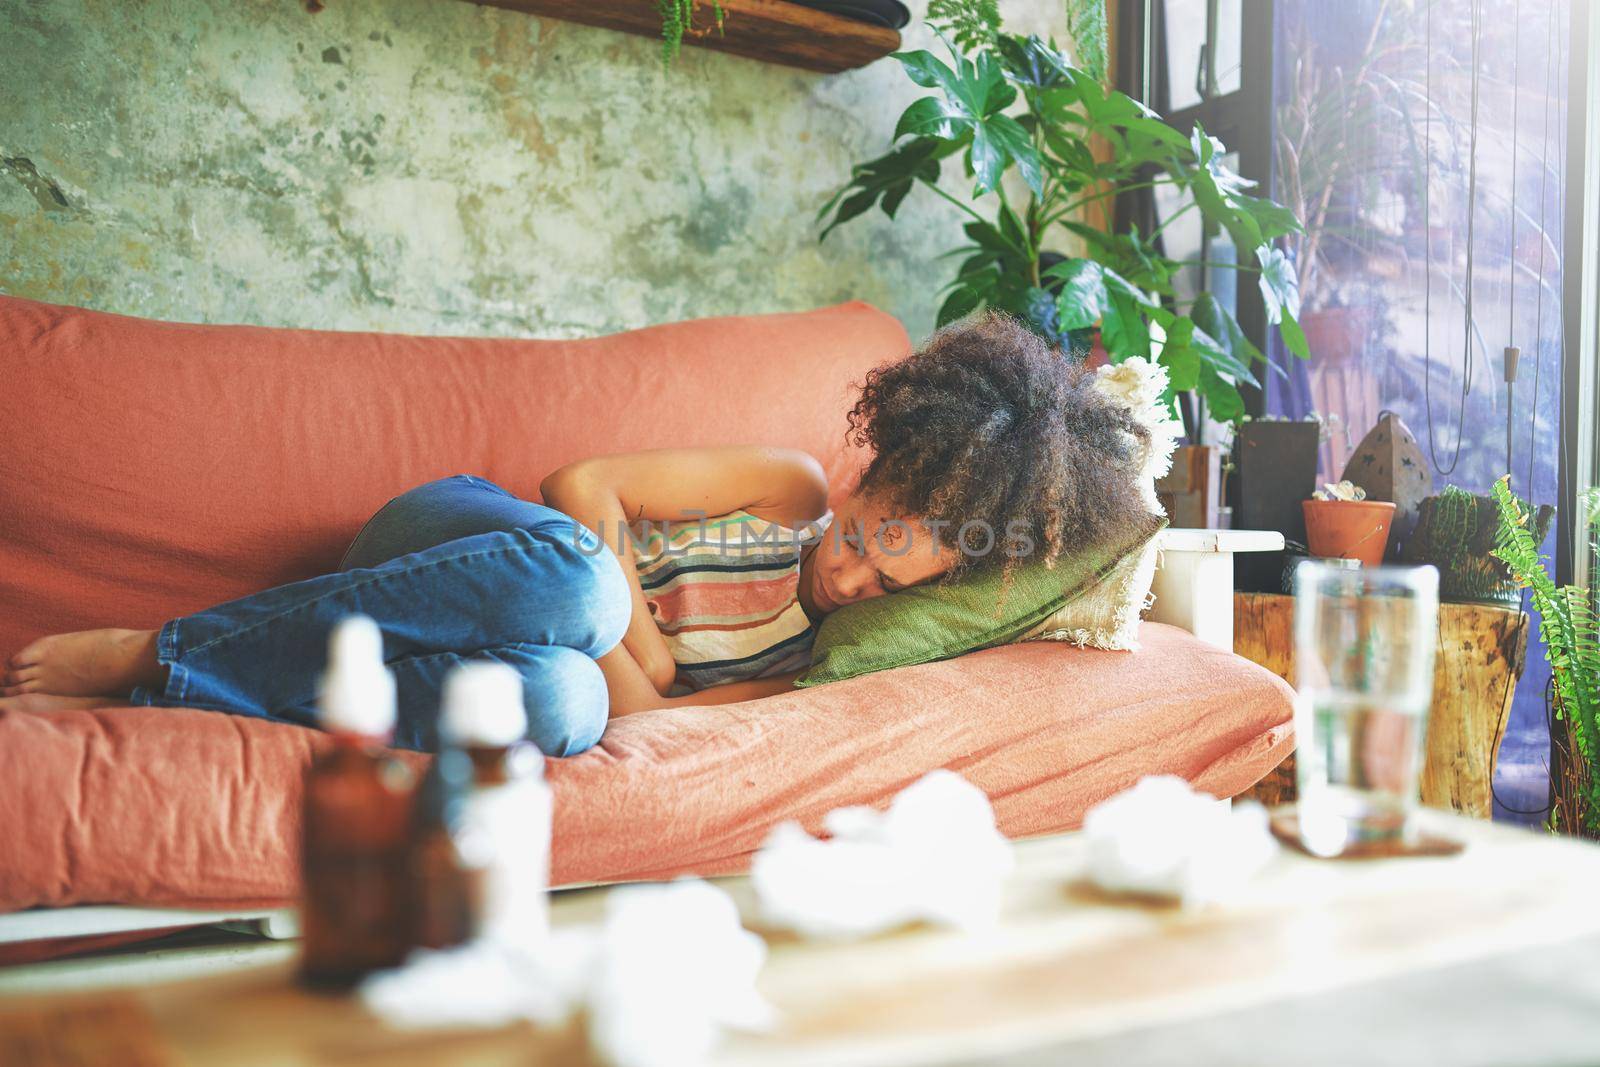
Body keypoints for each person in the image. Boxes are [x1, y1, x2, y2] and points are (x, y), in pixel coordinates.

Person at [0, 314, 1155, 755]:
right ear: (866, 471)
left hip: (455, 655)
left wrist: (634, 666)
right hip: (450, 543)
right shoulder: (787, 488)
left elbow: (641, 715)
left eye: (886, 566)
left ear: (949, 571)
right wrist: (637, 631)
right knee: (578, 589)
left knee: (562, 708)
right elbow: (579, 483)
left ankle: (186, 696)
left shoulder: (818, 671)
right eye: (862, 529)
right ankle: (165, 649)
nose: (845, 567)